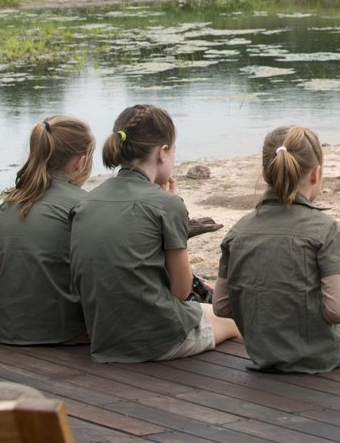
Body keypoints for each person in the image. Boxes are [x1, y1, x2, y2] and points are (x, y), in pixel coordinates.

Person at [69, 104, 239, 362]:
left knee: (208, 310)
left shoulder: (87, 202)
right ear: (163, 152)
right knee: (236, 320)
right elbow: (182, 291)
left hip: (105, 337)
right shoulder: (167, 205)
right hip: (157, 339)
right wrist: (172, 207)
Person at [215, 125, 340, 372]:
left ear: (265, 174)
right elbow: (338, 312)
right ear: (316, 174)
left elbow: (222, 306)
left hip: (262, 353)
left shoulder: (238, 231)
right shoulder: (324, 229)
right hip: (320, 354)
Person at [0, 115, 94, 345]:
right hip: (63, 330)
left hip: (10, 329)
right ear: (80, 161)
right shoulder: (84, 204)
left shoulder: (9, 204)